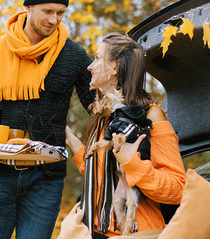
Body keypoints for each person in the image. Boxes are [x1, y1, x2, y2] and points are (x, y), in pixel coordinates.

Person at [0, 0, 95, 239]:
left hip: (46, 179)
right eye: (47, 11)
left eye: (61, 13)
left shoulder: (74, 55)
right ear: (28, 7)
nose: (54, 20)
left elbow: (97, 106)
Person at [65, 33, 186, 238]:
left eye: (96, 58)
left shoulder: (150, 115)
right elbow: (100, 170)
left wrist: (133, 163)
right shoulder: (103, 115)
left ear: (115, 67)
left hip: (132, 232)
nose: (89, 66)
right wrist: (67, 136)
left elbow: (178, 189)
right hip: (90, 229)